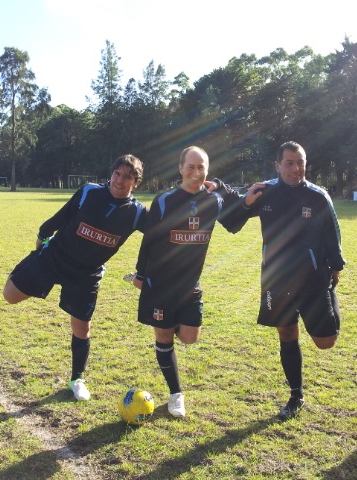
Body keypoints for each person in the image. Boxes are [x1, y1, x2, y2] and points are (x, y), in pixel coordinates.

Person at [3, 154, 147, 401]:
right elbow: (61, 216)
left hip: (86, 273)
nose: (120, 180)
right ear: (111, 173)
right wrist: (42, 238)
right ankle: (27, 265)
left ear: (136, 183)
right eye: (117, 173)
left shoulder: (137, 213)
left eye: (128, 177)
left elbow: (161, 232)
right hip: (55, 256)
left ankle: (77, 379)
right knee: (10, 296)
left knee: (82, 327)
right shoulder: (89, 192)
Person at [233, 141, 346, 420]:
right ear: (278, 165)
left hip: (313, 279)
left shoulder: (318, 196)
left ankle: (330, 299)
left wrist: (336, 266)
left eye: (300, 162)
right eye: (289, 163)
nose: (296, 168)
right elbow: (232, 223)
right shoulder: (265, 192)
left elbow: (332, 234)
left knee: (326, 341)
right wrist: (245, 203)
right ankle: (296, 395)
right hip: (277, 279)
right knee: (286, 333)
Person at [131, 146, 241, 418]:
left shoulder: (213, 200)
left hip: (190, 285)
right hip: (160, 283)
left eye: (201, 167)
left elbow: (236, 222)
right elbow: (149, 238)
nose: (195, 172)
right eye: (190, 166)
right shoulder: (165, 200)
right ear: (180, 168)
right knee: (164, 336)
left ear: (208, 170)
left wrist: (222, 187)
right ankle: (176, 394)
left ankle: (172, 323)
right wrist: (141, 275)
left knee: (190, 338)